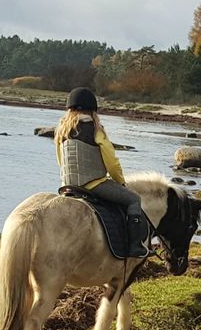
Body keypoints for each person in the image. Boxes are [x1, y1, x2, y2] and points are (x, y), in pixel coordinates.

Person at [55, 87, 149, 255]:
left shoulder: (62, 131)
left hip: (68, 185)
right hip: (93, 184)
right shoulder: (95, 129)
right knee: (134, 199)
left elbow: (60, 159)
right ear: (92, 110)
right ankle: (135, 246)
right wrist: (120, 181)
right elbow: (111, 162)